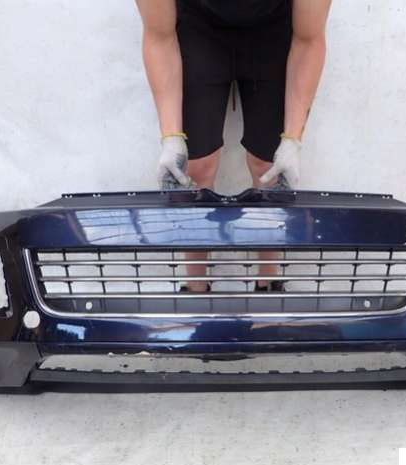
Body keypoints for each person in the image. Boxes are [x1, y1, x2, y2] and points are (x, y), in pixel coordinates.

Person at [136, 0, 331, 291]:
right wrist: (171, 137)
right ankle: (196, 288)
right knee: (194, 168)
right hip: (199, 29)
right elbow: (159, 36)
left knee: (270, 169)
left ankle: (268, 284)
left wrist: (292, 140)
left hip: (272, 33)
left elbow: (309, 39)